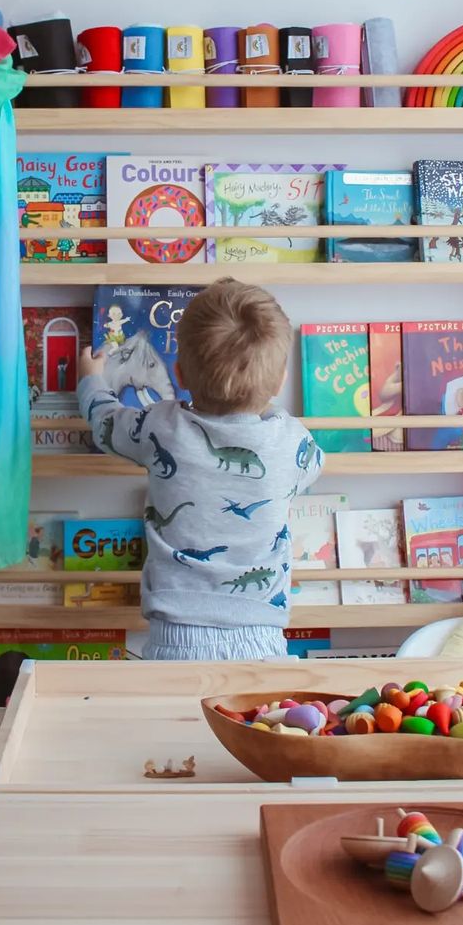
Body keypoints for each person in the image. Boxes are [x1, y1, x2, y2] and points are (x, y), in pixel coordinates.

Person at [78, 278, 323, 661]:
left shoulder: (161, 425)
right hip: (262, 635)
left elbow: (106, 422)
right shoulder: (290, 441)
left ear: (179, 375)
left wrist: (92, 379)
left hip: (176, 634)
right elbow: (312, 469)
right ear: (280, 381)